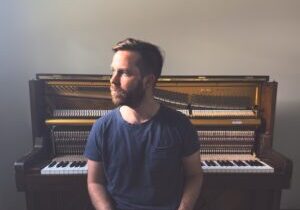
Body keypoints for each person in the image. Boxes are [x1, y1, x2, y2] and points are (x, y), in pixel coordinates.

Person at [84, 38, 203, 210]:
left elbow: (194, 175)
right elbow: (94, 181)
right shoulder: (102, 127)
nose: (113, 80)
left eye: (124, 73)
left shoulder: (180, 125)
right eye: (113, 71)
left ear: (148, 81)